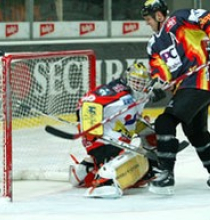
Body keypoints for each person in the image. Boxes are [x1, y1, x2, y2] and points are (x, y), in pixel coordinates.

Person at [141, 0, 210, 195]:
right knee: (195, 133)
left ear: (159, 15)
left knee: (165, 122)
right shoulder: (153, 45)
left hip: (199, 82)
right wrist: (159, 84)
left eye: (149, 18)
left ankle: (166, 173)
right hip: (186, 88)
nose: (147, 22)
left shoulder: (178, 20)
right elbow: (161, 72)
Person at [69, 62, 165, 198]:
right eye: (135, 81)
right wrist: (90, 129)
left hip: (121, 140)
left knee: (152, 136)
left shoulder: (142, 95)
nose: (138, 86)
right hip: (103, 141)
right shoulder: (116, 91)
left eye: (142, 83)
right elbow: (86, 101)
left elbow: (134, 117)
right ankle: (103, 179)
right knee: (126, 163)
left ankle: (86, 169)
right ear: (127, 79)